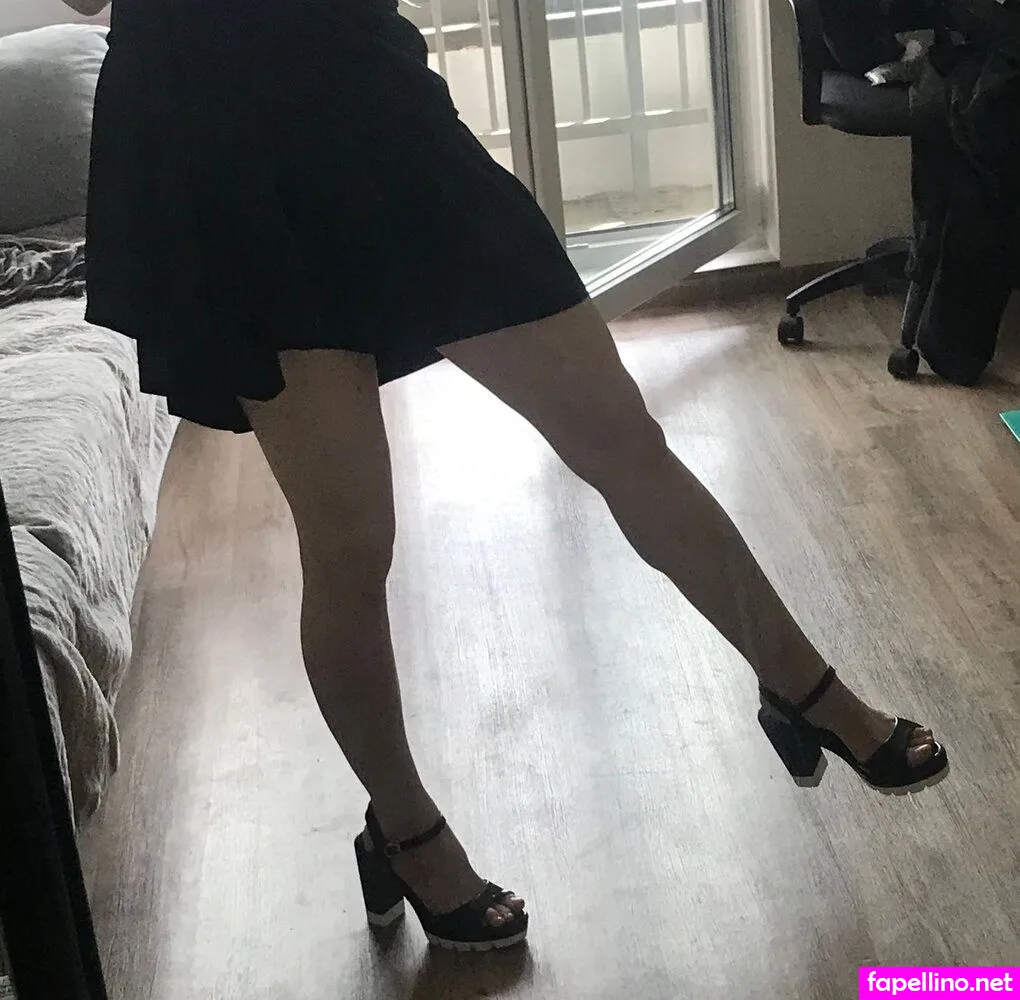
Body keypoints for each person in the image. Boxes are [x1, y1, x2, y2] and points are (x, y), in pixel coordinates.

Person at [70, 0, 948, 954]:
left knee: (619, 435)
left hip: (374, 102)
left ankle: (804, 688)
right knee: (350, 540)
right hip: (219, 151)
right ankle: (405, 829)